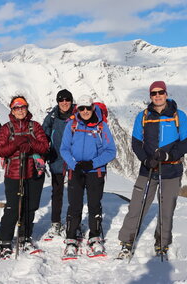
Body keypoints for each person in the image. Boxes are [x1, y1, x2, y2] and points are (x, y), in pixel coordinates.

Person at [117, 81, 187, 259]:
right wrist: (145, 159)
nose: (157, 96)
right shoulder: (143, 116)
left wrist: (168, 156)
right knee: (137, 205)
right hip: (148, 170)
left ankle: (162, 243)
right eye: (154, 93)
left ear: (166, 94)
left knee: (166, 209)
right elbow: (136, 142)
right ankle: (127, 241)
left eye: (160, 92)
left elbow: (186, 142)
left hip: (171, 170)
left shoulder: (178, 115)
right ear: (150, 96)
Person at [60, 95, 117, 258]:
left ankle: (95, 236)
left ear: (93, 108)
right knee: (74, 205)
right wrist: (74, 165)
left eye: (88, 108)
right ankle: (71, 238)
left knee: (94, 204)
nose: (85, 111)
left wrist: (93, 163)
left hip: (95, 171)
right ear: (77, 109)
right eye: (82, 108)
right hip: (75, 171)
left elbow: (111, 151)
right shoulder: (72, 125)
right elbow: (64, 149)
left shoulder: (101, 126)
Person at [0, 95, 49, 259]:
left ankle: (25, 237)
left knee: (30, 207)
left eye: (23, 107)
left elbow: (45, 146)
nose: (20, 110)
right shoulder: (6, 128)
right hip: (13, 174)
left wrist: (29, 141)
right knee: (12, 208)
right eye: (16, 108)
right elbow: (0, 150)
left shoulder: (35, 127)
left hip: (33, 173)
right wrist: (16, 143)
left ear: (27, 108)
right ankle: (5, 241)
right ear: (12, 110)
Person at [42, 89, 75, 239]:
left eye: (67, 99)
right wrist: (45, 151)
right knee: (57, 192)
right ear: (57, 102)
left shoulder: (78, 115)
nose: (64, 102)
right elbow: (43, 135)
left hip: (74, 159)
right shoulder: (52, 117)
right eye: (61, 100)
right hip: (57, 158)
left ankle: (73, 221)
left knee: (75, 192)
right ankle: (56, 222)